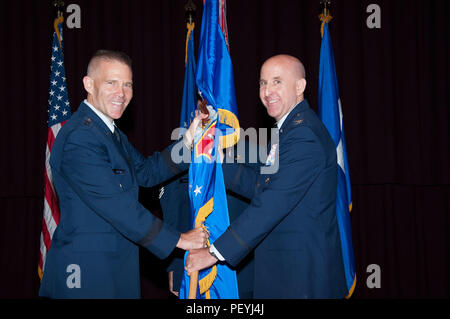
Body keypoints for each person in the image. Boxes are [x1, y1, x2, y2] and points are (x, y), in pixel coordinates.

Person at [39, 50, 208, 299]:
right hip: (85, 276)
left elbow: (147, 172)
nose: (121, 93)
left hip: (114, 269)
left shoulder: (108, 132)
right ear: (89, 84)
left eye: (127, 84)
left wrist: (190, 140)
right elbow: (118, 206)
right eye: (111, 83)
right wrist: (180, 239)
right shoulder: (80, 137)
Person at [185, 54, 347, 298]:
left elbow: (271, 204)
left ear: (300, 87)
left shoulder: (304, 135)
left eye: (277, 82)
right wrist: (213, 162)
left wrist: (213, 253)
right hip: (288, 271)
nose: (267, 91)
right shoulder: (291, 128)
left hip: (301, 278)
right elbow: (263, 184)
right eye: (263, 83)